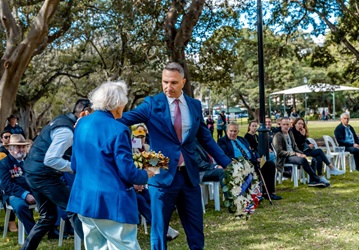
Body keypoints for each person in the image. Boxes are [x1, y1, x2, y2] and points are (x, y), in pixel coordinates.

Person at [119, 62, 232, 250]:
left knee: (196, 229)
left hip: (189, 176)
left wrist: (227, 163)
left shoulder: (195, 106)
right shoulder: (152, 104)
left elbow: (205, 138)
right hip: (161, 176)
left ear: (183, 82)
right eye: (165, 82)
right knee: (159, 231)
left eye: (173, 83)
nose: (168, 87)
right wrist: (94, 120)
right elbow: (124, 119)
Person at [67, 81, 154, 249]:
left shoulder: (81, 124)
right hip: (111, 201)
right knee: (126, 246)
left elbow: (75, 164)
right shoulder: (118, 129)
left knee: (96, 246)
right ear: (118, 104)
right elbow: (128, 172)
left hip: (84, 198)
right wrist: (146, 174)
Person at [21, 99, 91, 250]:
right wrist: (73, 168)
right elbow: (51, 159)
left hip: (33, 173)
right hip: (43, 176)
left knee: (48, 217)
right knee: (74, 207)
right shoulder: (66, 131)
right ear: (84, 113)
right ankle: (94, 246)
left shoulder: (62, 121)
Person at [218, 123, 281, 201]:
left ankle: (268, 193)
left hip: (252, 161)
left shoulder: (242, 139)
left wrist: (257, 157)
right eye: (231, 131)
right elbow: (225, 155)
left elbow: (252, 150)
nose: (233, 133)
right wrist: (240, 161)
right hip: (238, 164)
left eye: (235, 131)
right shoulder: (222, 141)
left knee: (269, 165)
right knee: (249, 169)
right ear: (227, 131)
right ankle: (253, 195)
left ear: (238, 132)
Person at [273, 118, 329, 187]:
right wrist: (295, 154)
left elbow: (295, 147)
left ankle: (312, 181)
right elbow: (279, 152)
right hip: (285, 157)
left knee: (312, 159)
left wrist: (302, 154)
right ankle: (317, 178)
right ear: (280, 125)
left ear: (290, 125)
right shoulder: (278, 136)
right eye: (284, 124)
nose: (285, 126)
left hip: (294, 155)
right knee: (303, 160)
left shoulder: (290, 133)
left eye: (287, 124)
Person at [0, 135, 36, 235]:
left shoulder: (29, 161)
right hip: (13, 194)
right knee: (20, 206)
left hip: (33, 191)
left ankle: (52, 230)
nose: (21, 149)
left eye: (23, 147)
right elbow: (6, 185)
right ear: (10, 149)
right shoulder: (4, 163)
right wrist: (25, 194)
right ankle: (33, 233)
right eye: (18, 147)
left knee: (52, 199)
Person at [292, 118, 344, 182]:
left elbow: (305, 140)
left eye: (302, 124)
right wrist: (303, 136)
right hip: (299, 153)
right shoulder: (292, 132)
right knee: (319, 151)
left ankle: (320, 176)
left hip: (305, 151)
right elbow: (296, 145)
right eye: (299, 124)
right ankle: (331, 167)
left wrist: (309, 144)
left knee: (318, 157)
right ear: (295, 124)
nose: (300, 125)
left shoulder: (300, 132)